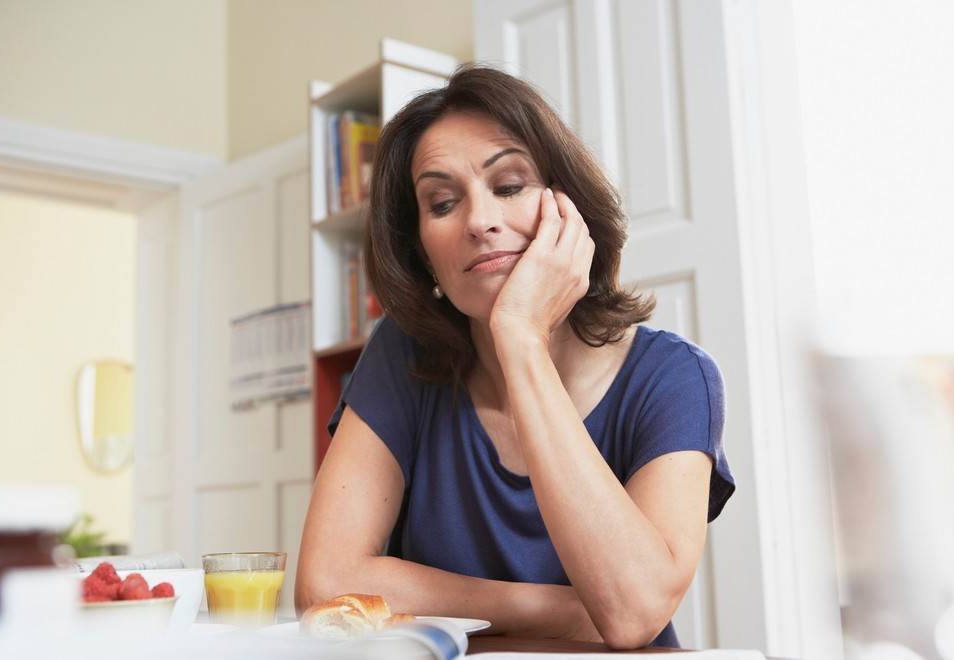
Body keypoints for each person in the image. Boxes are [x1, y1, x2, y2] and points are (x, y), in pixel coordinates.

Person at [295, 64, 734, 650]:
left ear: (568, 209)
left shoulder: (676, 377)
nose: (480, 221)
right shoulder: (402, 355)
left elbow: (632, 612)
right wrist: (563, 609)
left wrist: (522, 336)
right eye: (443, 202)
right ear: (422, 252)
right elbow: (326, 583)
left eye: (508, 187)